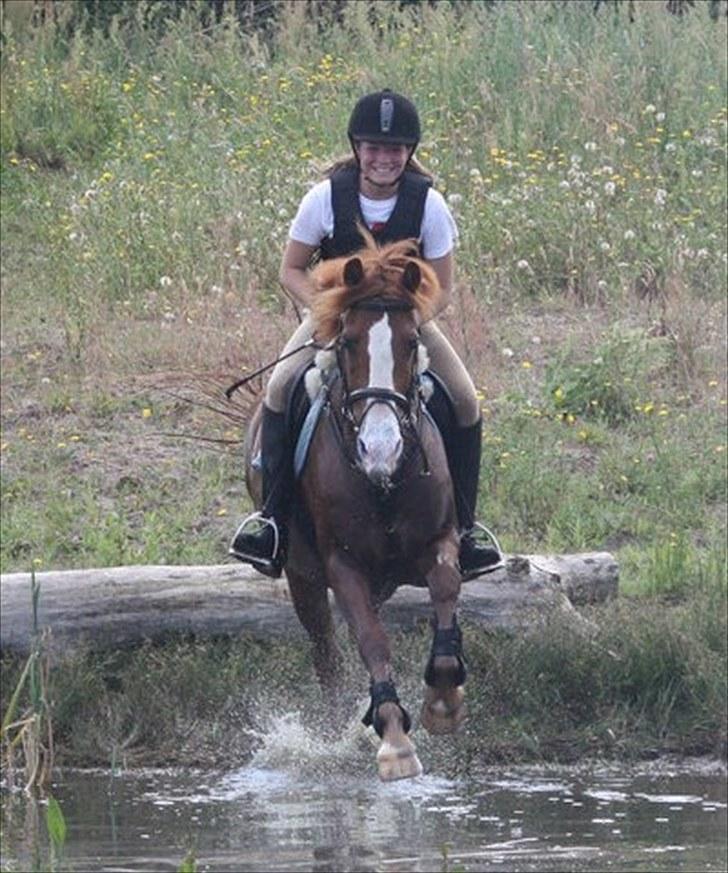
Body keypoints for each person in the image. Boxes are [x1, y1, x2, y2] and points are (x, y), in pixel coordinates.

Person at [230, 89, 503, 580]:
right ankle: (270, 522)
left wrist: (411, 323)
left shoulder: (430, 204)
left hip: (403, 323)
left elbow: (442, 284)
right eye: (374, 148)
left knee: (465, 401)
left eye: (395, 149)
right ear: (357, 148)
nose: (384, 158)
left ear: (409, 153)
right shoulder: (325, 198)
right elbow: (291, 269)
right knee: (278, 389)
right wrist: (322, 309)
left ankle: (468, 527)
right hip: (334, 320)